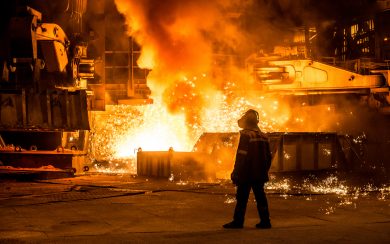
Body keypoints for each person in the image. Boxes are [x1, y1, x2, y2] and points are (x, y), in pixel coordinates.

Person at [223, 109, 272, 229]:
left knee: (242, 198)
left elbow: (241, 156)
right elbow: (269, 157)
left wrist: (236, 172)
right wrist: (264, 170)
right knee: (261, 197)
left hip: (247, 173)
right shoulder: (264, 136)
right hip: (259, 173)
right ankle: (265, 221)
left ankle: (238, 222)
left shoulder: (246, 135)